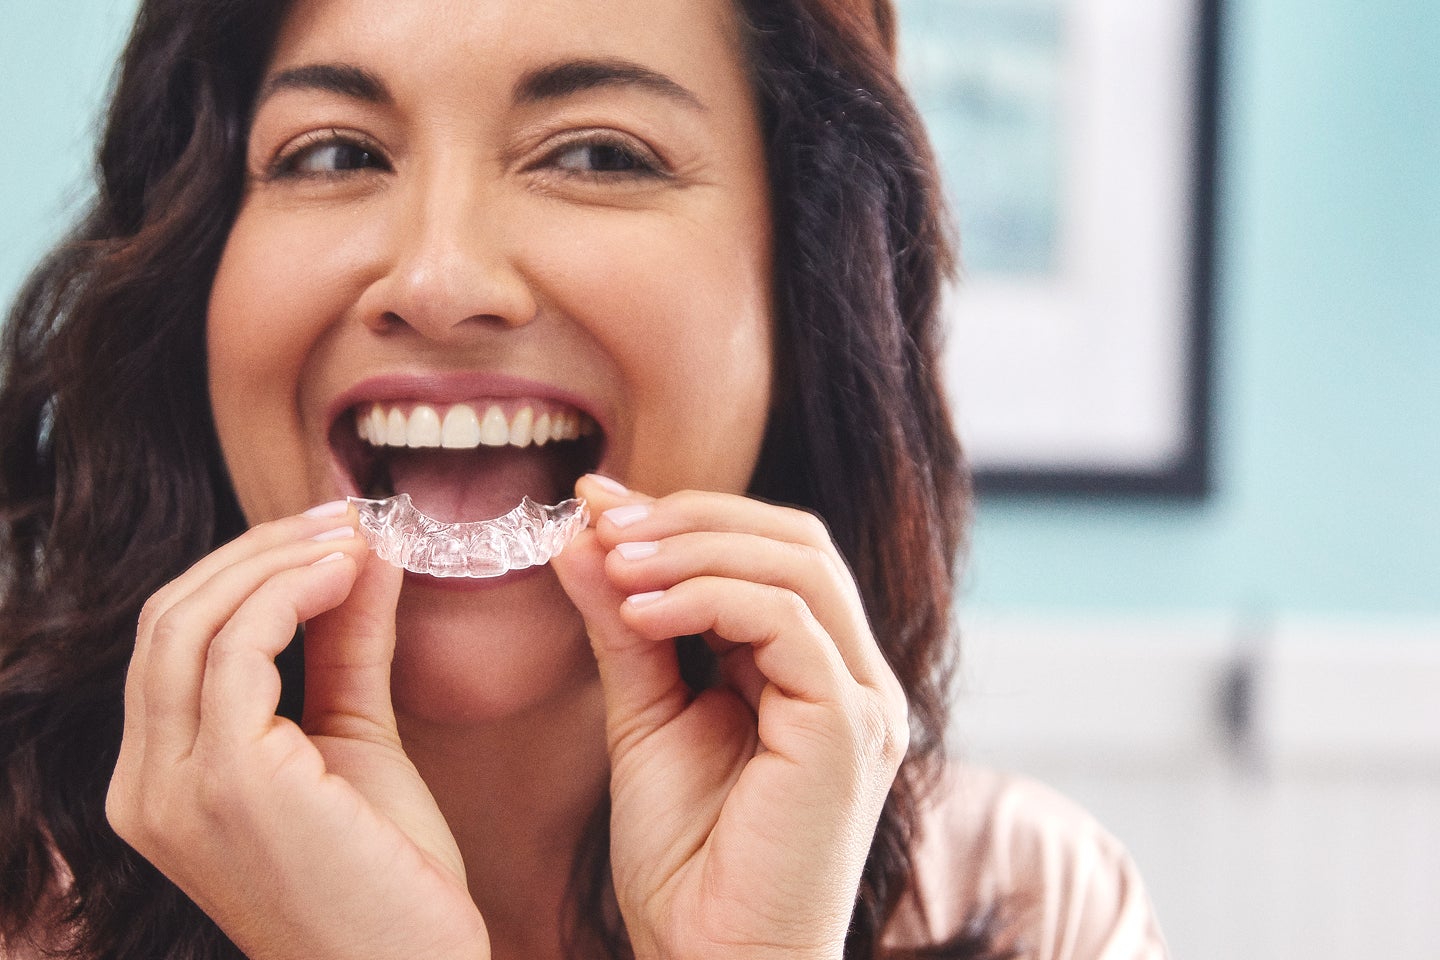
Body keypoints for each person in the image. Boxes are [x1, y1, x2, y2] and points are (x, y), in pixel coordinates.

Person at [0, 0, 1168, 958]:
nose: (443, 276)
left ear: (803, 285)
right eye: (336, 153)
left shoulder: (1041, 906)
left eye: (599, 154)